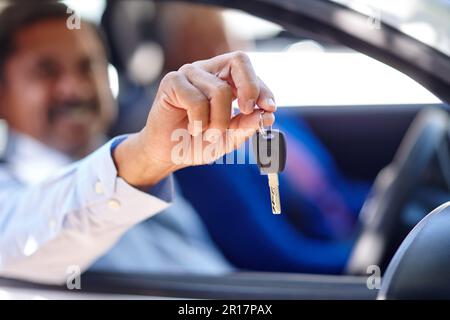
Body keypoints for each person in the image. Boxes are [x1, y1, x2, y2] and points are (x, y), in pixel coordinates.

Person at [0, 2, 275, 284]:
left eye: (87, 67)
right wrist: (145, 157)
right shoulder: (11, 198)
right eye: (46, 71)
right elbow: (19, 241)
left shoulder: (154, 156)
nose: (75, 89)